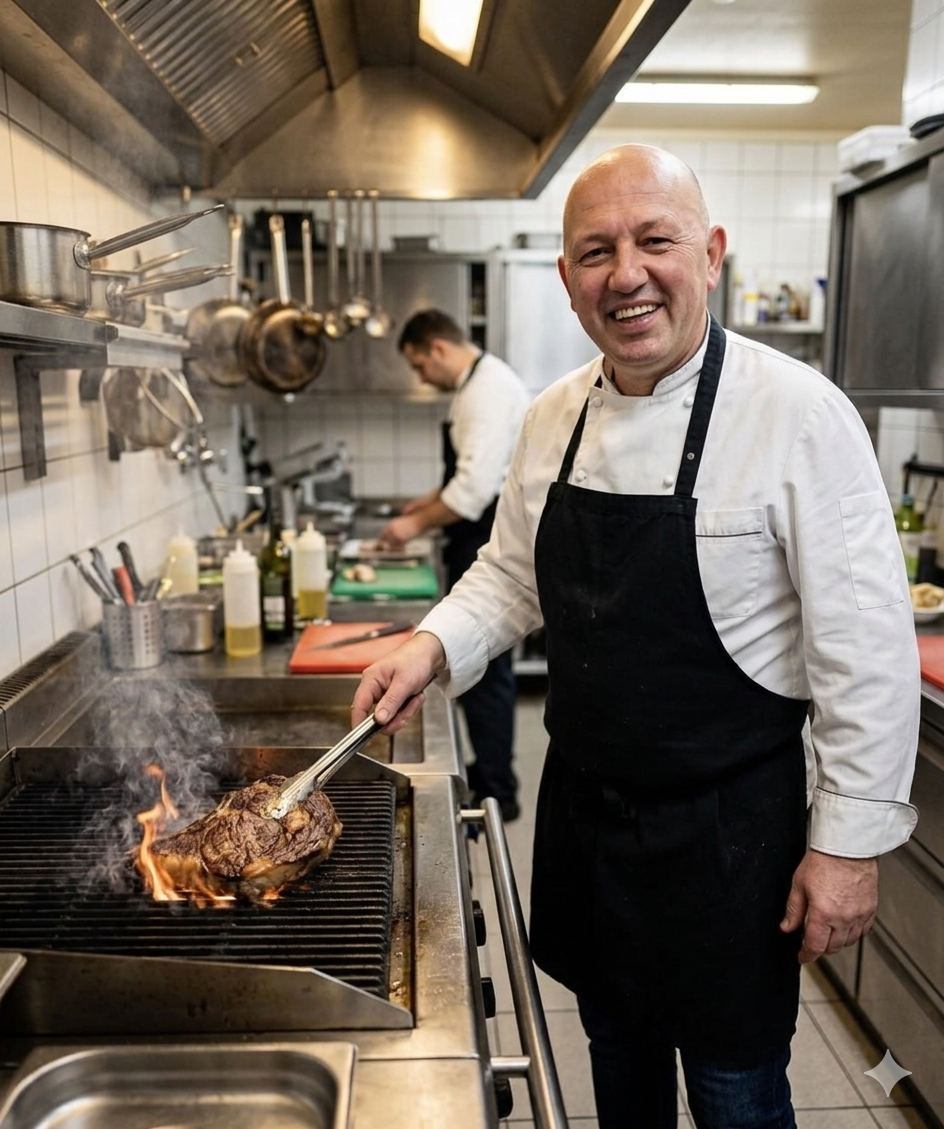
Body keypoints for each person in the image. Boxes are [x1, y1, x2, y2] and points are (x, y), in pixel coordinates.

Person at [353, 146, 920, 1128]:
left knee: (734, 1090)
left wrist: (846, 846)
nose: (625, 274)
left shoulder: (797, 415)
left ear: (708, 253)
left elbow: (863, 652)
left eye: (652, 241)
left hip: (728, 839)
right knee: (614, 1065)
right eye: (594, 251)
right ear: (568, 278)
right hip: (588, 828)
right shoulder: (548, 419)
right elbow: (508, 576)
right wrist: (431, 644)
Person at [378, 309, 530, 820]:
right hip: (476, 531)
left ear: (438, 348)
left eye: (419, 365)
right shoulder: (474, 386)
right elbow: (465, 476)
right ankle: (489, 775)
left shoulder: (487, 391)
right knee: (483, 673)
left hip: (488, 535)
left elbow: (472, 493)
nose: (422, 377)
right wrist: (422, 504)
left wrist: (411, 528)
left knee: (488, 673)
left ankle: (496, 792)